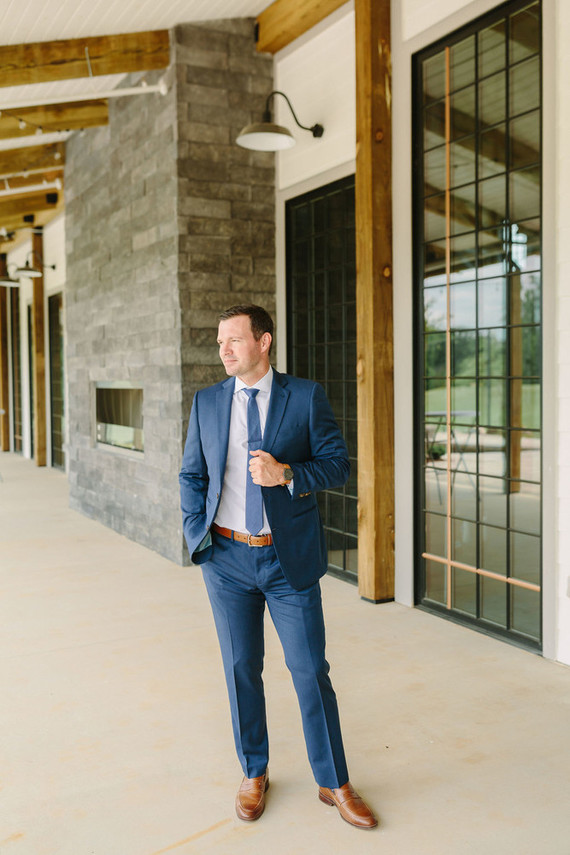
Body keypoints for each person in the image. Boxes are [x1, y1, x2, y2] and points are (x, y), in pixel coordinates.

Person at [179, 304, 377, 829]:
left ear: (263, 342)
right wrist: (195, 532)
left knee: (311, 671)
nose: (223, 349)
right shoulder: (207, 402)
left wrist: (286, 472)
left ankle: (333, 781)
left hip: (288, 560)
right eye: (220, 340)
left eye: (234, 340)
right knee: (242, 669)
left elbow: (337, 462)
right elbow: (191, 474)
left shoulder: (306, 396)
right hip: (226, 559)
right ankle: (254, 771)